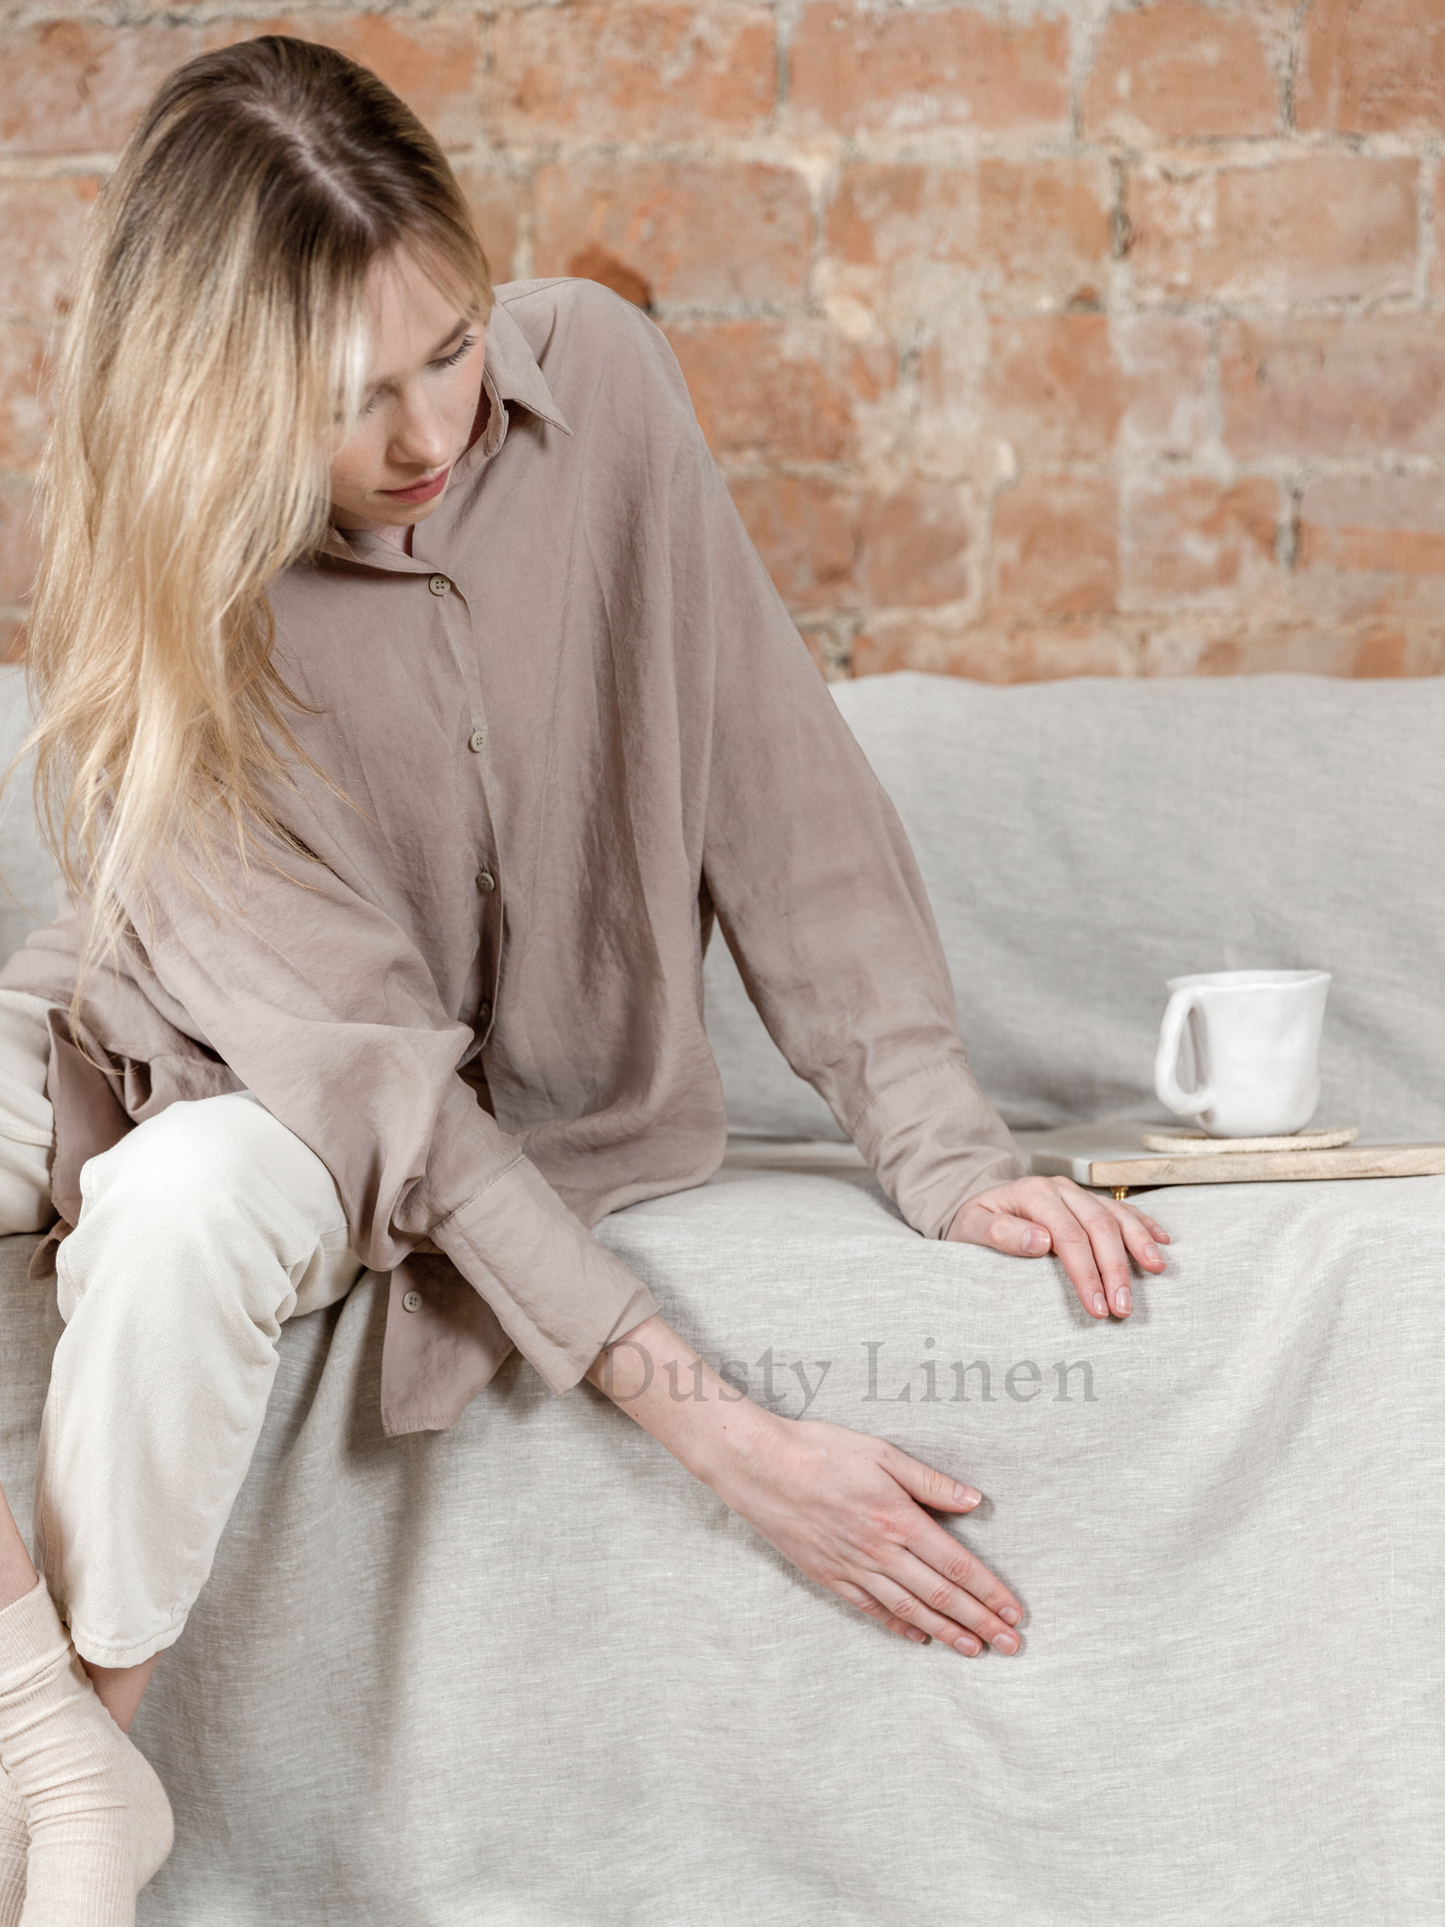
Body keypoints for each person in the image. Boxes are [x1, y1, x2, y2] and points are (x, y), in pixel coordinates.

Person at [0, 36, 1170, 1922]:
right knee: (169, 1160)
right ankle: (62, 1771)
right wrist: (729, 1433)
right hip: (176, 1029)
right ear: (218, 396)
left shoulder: (603, 384)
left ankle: (79, 1800)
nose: (426, 436)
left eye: (448, 347)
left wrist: (946, 1149)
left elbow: (776, 781)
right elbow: (377, 1078)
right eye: (344, 400)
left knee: (184, 1209)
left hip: (296, 1122)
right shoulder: (162, 588)